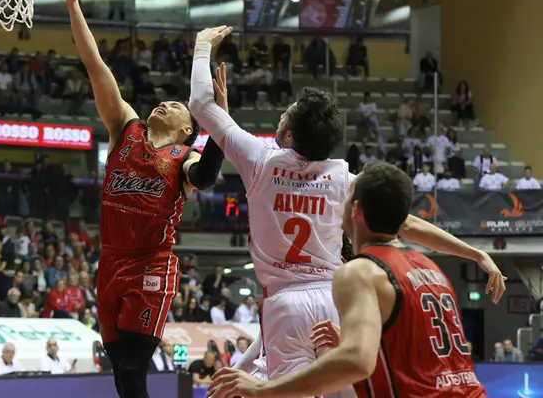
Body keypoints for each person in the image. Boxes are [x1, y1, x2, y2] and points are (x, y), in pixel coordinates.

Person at [188, 27, 506, 397]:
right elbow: (407, 225)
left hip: (286, 302)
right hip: (336, 296)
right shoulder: (342, 176)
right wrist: (475, 252)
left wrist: (201, 48)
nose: (279, 118)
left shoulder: (259, 158)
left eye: (285, 115)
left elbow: (200, 104)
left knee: (283, 391)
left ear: (289, 134)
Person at [49, 0, 226, 398]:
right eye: (162, 101)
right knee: (122, 377)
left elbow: (205, 178)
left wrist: (219, 122)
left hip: (151, 264)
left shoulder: (187, 155)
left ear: (188, 128)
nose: (164, 104)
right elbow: (94, 63)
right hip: (109, 264)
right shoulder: (124, 129)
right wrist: (72, 2)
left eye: (175, 105)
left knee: (132, 369)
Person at [207, 162, 499, 397]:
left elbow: (356, 361)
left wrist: (264, 389)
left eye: (346, 196)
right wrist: (356, 339)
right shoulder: (432, 269)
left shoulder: (360, 271)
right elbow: (417, 356)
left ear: (356, 210)